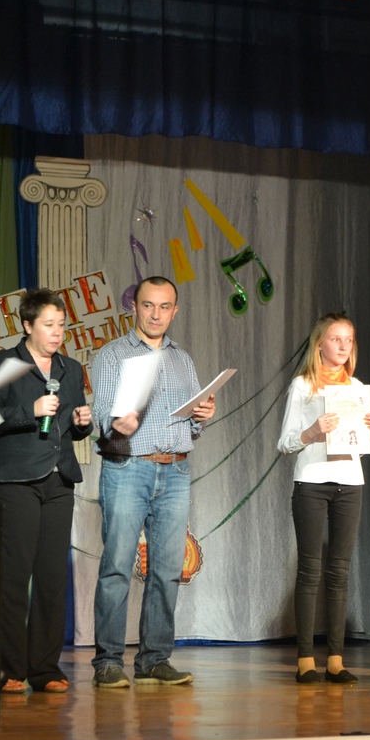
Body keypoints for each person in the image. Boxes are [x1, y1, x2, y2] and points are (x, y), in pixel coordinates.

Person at [89, 276, 216, 688]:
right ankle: (108, 662)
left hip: (175, 469)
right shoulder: (113, 354)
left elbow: (191, 423)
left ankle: (154, 659)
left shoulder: (183, 359)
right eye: (148, 305)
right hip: (129, 467)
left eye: (164, 307)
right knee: (117, 566)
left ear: (175, 312)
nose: (156, 314)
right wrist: (117, 423)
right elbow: (101, 415)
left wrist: (202, 416)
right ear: (135, 307)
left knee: (166, 570)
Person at [0, 289, 92, 694]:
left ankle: (45, 668)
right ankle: (9, 668)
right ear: (27, 325)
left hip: (59, 480)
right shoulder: (3, 363)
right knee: (14, 575)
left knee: (51, 577)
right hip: (15, 480)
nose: (57, 332)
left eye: (61, 325)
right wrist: (30, 411)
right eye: (48, 325)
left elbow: (73, 427)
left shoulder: (70, 368)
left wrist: (82, 422)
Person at [277, 313, 370, 684]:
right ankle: (305, 658)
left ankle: (336, 659)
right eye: (336, 339)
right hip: (312, 482)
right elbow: (285, 443)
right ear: (320, 343)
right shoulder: (303, 385)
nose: (343, 346)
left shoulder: (357, 388)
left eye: (348, 340)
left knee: (339, 572)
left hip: (350, 483)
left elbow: (358, 446)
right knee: (309, 571)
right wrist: (312, 431)